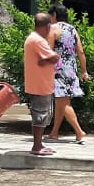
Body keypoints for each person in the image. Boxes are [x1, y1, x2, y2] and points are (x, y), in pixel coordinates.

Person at [47, 4, 89, 144]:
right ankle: (54, 133)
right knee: (62, 102)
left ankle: (79, 132)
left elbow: (48, 52)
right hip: (71, 70)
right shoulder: (72, 30)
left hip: (58, 70)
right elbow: (81, 52)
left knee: (63, 102)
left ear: (54, 15)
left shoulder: (53, 29)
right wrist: (84, 71)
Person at [24, 13, 61, 156]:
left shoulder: (32, 39)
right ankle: (37, 146)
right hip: (40, 84)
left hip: (39, 83)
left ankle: (38, 144)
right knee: (40, 115)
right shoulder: (38, 41)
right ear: (47, 26)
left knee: (42, 114)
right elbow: (55, 57)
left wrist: (47, 60)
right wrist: (51, 59)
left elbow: (47, 59)